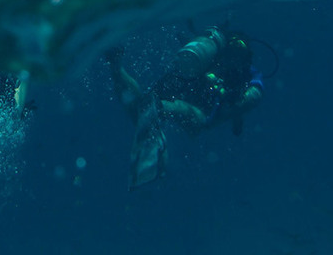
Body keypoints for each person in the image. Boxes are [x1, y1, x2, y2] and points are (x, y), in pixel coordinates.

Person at [107, 25, 265, 188]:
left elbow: (248, 103)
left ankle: (117, 69)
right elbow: (254, 96)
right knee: (196, 121)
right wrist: (238, 105)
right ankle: (160, 107)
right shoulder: (248, 72)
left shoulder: (215, 56)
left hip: (180, 81)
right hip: (197, 105)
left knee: (140, 108)